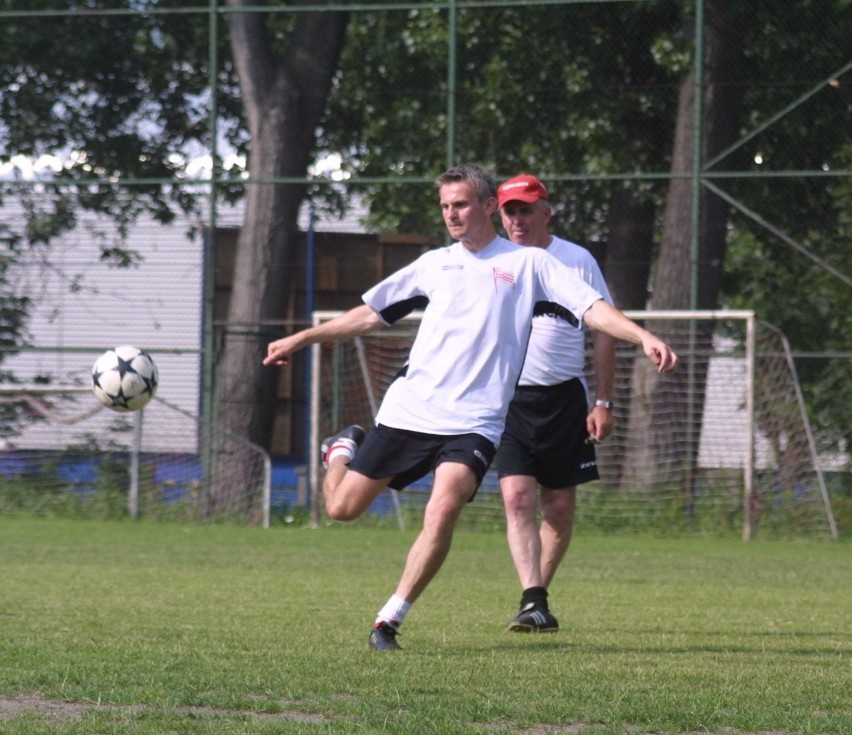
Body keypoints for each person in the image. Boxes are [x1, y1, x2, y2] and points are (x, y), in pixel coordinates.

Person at [263, 164, 678, 652]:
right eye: (444, 206)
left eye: (460, 204)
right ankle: (340, 451)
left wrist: (643, 335)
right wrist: (305, 335)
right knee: (342, 509)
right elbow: (369, 314)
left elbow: (594, 310)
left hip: (475, 423)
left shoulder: (530, 265)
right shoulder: (435, 264)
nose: (451, 214)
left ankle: (388, 622)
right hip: (411, 410)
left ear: (486, 207)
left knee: (441, 512)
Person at [495, 174, 615, 634]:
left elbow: (605, 329)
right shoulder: (493, 261)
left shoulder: (576, 260)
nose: (517, 219)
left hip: (566, 398)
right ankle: (534, 600)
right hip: (507, 400)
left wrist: (603, 401)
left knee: (559, 508)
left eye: (526, 210)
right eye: (510, 211)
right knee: (516, 497)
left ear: (547, 211)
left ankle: (534, 600)